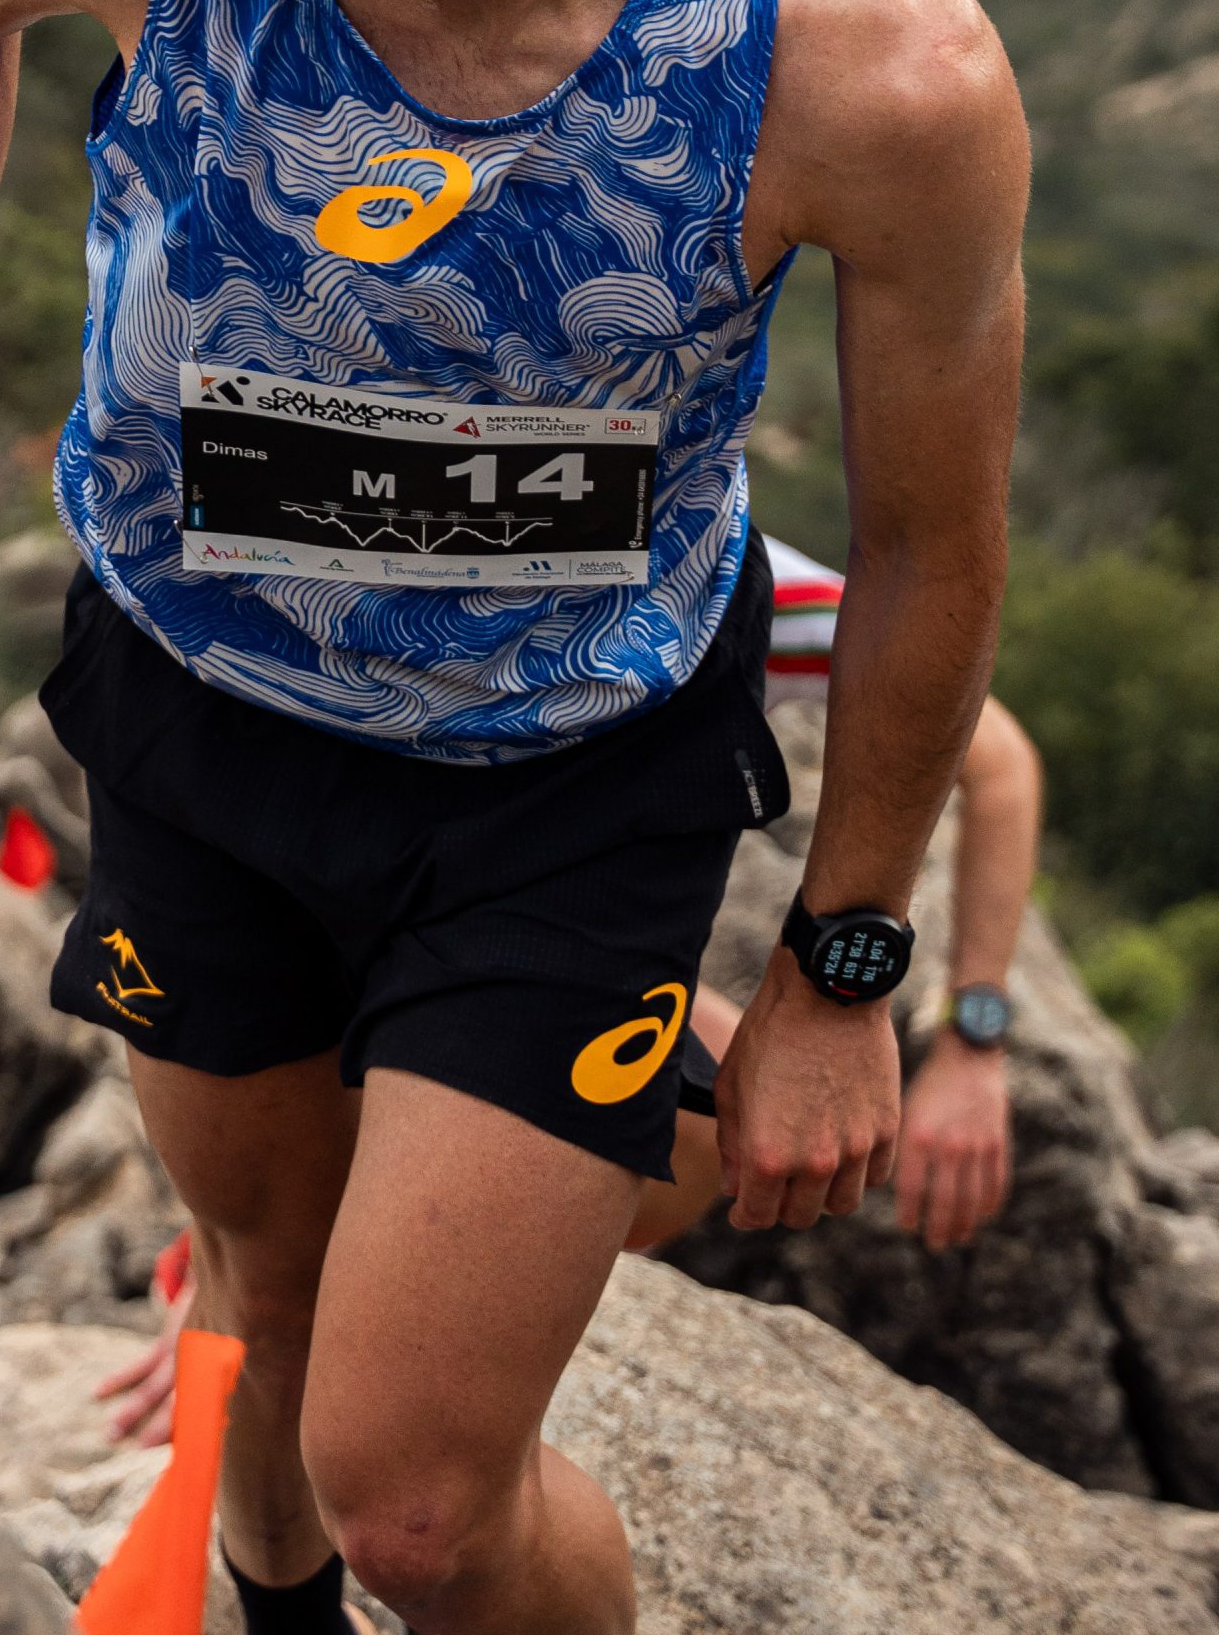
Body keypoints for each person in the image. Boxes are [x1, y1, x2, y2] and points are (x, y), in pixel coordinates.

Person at [0, 0, 1028, 1635]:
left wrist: (846, 963)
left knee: (413, 1498)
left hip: (562, 776)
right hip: (191, 706)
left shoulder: (863, 71)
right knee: (264, 1278)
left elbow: (929, 545)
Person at [100, 531, 1045, 1449]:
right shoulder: (335, 582)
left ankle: (471, 1300)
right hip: (317, 890)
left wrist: (971, 1039)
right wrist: (245, 1268)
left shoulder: (695, 569)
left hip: (527, 943)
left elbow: (998, 760)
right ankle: (304, 1282)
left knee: (704, 1099)